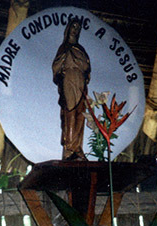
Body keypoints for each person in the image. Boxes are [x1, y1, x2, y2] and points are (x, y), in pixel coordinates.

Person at [52, 18, 91, 160]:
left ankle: (78, 147)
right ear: (68, 29)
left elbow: (87, 68)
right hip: (68, 80)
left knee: (80, 113)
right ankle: (69, 148)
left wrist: (83, 73)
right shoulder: (64, 49)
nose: (75, 30)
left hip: (80, 82)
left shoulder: (81, 50)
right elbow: (56, 66)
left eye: (78, 28)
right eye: (73, 27)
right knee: (70, 113)